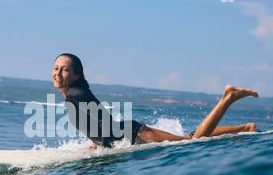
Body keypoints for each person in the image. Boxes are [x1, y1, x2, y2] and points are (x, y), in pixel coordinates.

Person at [52, 53, 258, 148]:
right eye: (55, 68)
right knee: (189, 137)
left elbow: (104, 122)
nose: (58, 73)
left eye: (64, 69)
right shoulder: (74, 94)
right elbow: (99, 125)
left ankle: (228, 98)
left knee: (192, 142)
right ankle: (245, 127)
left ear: (76, 75)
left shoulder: (75, 95)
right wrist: (97, 143)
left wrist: (105, 146)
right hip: (129, 132)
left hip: (136, 136)